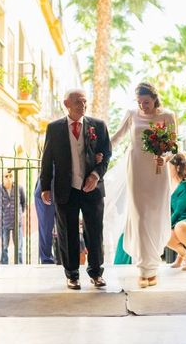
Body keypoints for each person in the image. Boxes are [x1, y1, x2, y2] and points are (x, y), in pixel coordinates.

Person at [40, 89, 112, 290]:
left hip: (92, 189)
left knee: (95, 231)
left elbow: (106, 155)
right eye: (78, 102)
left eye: (84, 101)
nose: (83, 105)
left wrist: (95, 175)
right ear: (66, 104)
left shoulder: (98, 126)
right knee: (67, 233)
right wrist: (45, 187)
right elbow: (47, 159)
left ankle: (96, 273)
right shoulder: (54, 129)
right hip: (66, 189)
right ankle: (72, 275)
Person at [111, 82, 177, 288]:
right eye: (139, 102)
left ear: (154, 99)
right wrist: (99, 147)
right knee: (140, 217)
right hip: (137, 170)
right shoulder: (132, 114)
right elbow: (118, 136)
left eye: (146, 102)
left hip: (158, 173)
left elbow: (173, 146)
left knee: (155, 216)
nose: (143, 106)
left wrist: (165, 158)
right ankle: (142, 269)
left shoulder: (168, 116)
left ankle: (153, 268)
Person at [0, 170, 26, 265]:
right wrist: (2, 215)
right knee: (4, 247)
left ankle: (19, 265)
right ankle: (4, 265)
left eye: (10, 176)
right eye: (6, 176)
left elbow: (23, 202)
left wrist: (19, 214)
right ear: (2, 177)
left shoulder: (19, 188)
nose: (8, 178)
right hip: (4, 222)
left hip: (17, 221)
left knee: (19, 248)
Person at [34, 176, 56, 264]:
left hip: (59, 192)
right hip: (45, 193)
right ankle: (47, 260)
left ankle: (59, 258)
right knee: (46, 228)